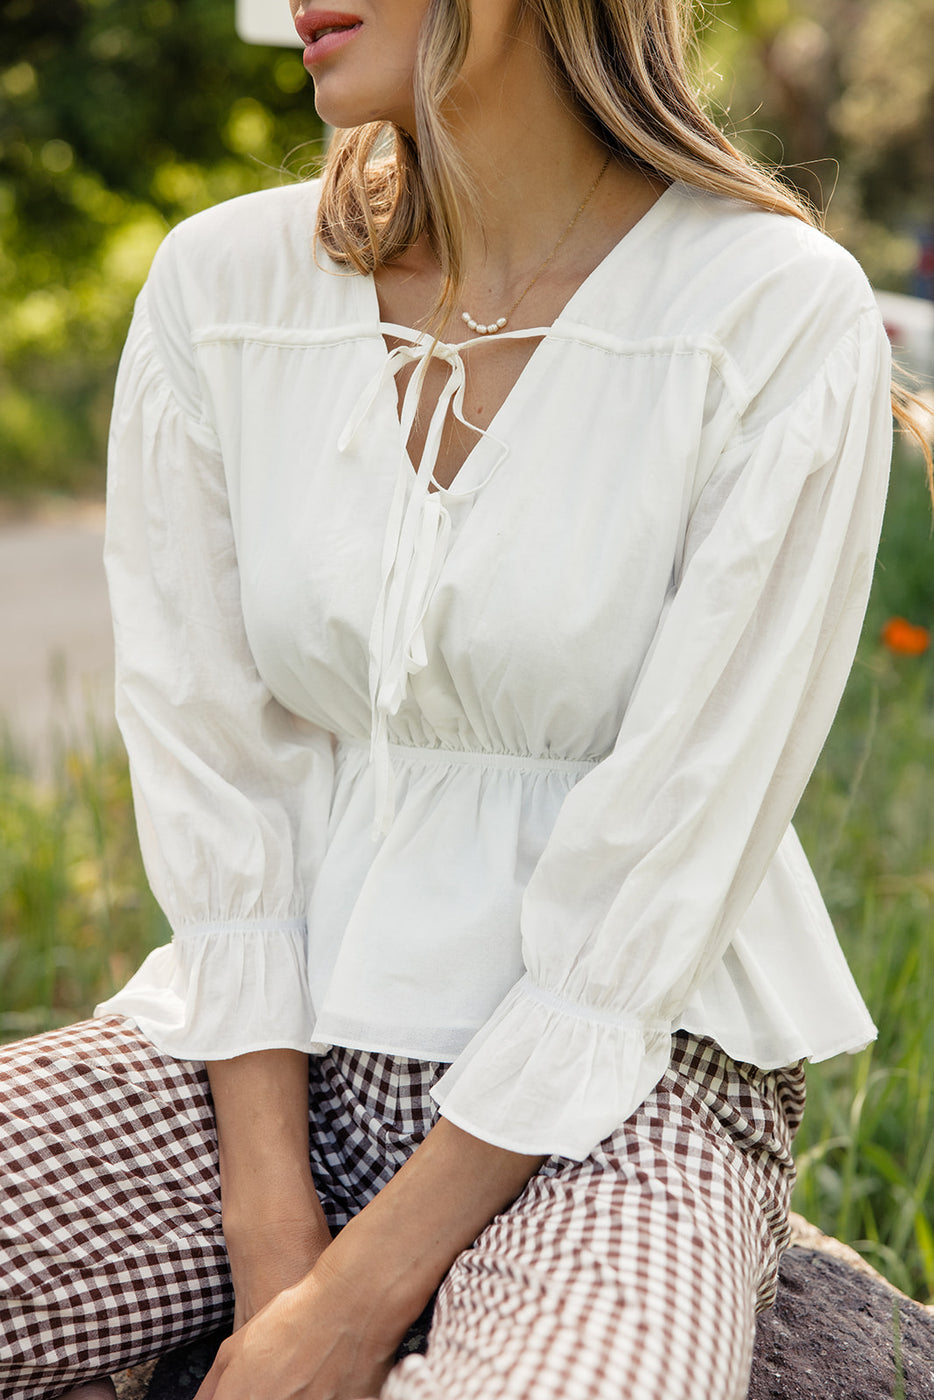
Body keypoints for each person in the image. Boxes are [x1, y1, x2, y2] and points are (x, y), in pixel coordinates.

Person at [1, 0, 930, 1397]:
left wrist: (351, 1312)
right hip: (254, 1057)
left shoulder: (767, 308)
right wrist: (275, 1267)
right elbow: (219, 770)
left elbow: (672, 839)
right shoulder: (223, 285)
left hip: (628, 1088)